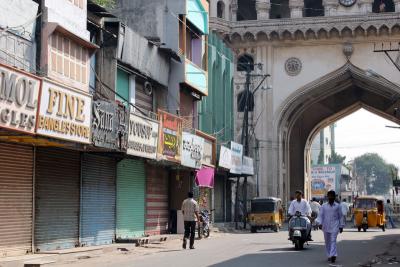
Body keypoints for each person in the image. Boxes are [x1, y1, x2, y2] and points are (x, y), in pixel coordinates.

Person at [316, 190, 345, 264]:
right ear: (327, 197)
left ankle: (333, 255)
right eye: (330, 196)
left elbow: (341, 216)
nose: (331, 197)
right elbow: (320, 215)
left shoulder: (338, 206)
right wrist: (319, 223)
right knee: (327, 241)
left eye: (332, 196)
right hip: (326, 226)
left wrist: (341, 226)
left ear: (334, 197)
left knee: (333, 240)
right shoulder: (324, 206)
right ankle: (329, 254)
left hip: (335, 226)